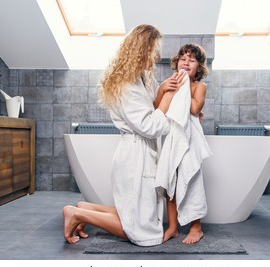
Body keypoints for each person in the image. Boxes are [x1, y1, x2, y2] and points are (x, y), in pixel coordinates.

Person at [63, 24, 185, 245]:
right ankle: (77, 213)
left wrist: (161, 91)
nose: (157, 57)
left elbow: (150, 109)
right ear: (142, 49)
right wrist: (168, 98)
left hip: (141, 153)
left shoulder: (143, 77)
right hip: (135, 158)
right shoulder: (127, 84)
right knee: (145, 235)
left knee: (137, 218)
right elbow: (149, 125)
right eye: (153, 50)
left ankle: (87, 208)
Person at [155, 43, 210, 244]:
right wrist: (162, 89)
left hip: (189, 140)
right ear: (177, 63)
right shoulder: (170, 83)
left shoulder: (198, 86)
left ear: (199, 68)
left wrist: (185, 86)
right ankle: (173, 226)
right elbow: (157, 109)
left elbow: (195, 109)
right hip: (172, 137)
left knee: (191, 179)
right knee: (171, 180)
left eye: (192, 60)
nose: (186, 62)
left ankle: (196, 227)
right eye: (183, 59)